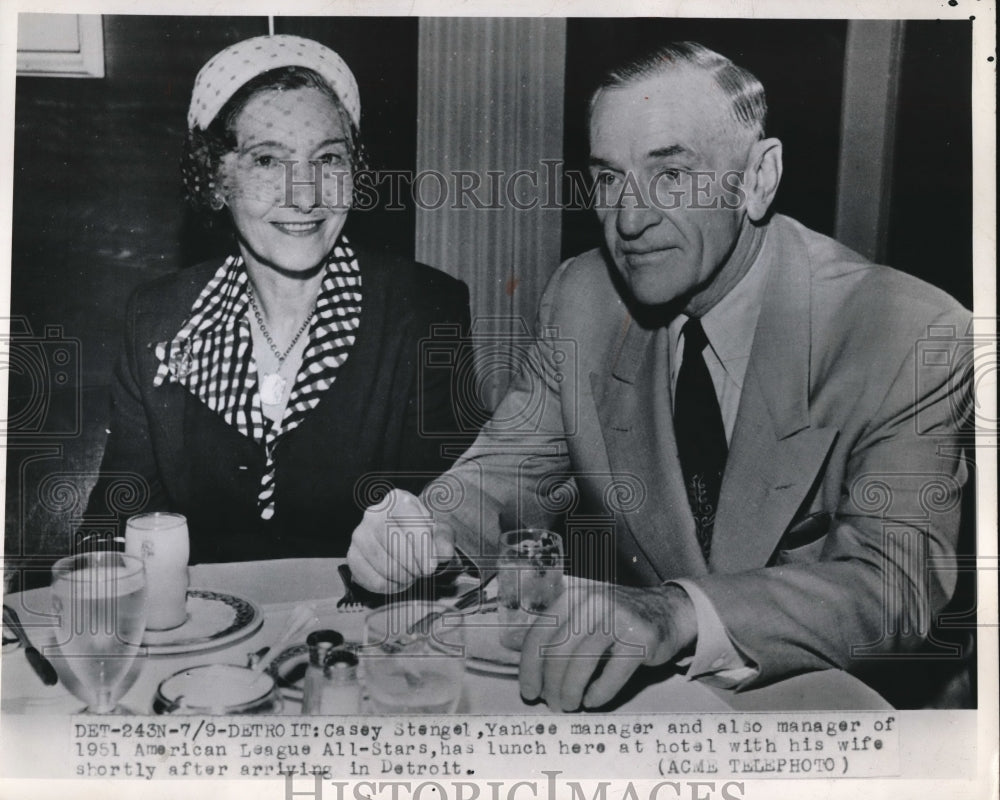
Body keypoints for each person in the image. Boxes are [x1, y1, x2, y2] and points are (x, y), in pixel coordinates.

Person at [348, 42, 973, 709]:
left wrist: (677, 613)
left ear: (759, 178)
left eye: (671, 175)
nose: (630, 220)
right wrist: (422, 527)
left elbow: (894, 585)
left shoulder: (906, 329)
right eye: (609, 179)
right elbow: (506, 472)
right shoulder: (585, 297)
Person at [84, 35, 476, 563]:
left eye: (329, 159)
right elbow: (115, 532)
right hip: (206, 633)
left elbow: (444, 533)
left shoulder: (425, 310)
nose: (306, 193)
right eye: (268, 160)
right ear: (216, 178)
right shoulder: (159, 319)